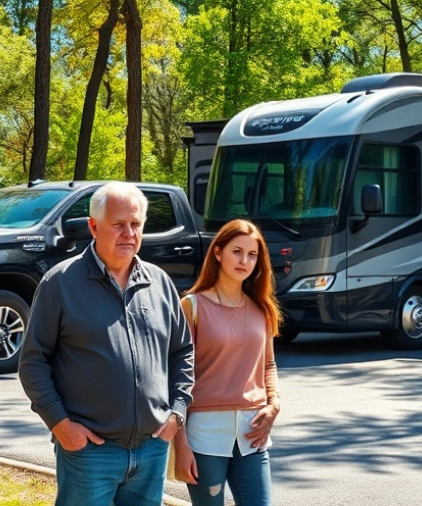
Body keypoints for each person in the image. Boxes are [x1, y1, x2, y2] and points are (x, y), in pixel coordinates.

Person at [18, 181, 194, 506]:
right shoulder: (60, 283)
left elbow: (182, 350)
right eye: (119, 224)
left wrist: (177, 412)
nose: (129, 233)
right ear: (94, 226)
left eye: (136, 224)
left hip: (152, 448)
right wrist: (60, 424)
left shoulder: (159, 283)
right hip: (89, 453)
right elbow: (33, 362)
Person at [174, 219, 283, 506]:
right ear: (218, 252)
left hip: (253, 433)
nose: (244, 260)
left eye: (252, 255)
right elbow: (175, 379)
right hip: (203, 435)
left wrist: (274, 405)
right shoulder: (192, 306)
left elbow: (268, 365)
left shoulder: (263, 308)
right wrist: (181, 445)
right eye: (237, 251)